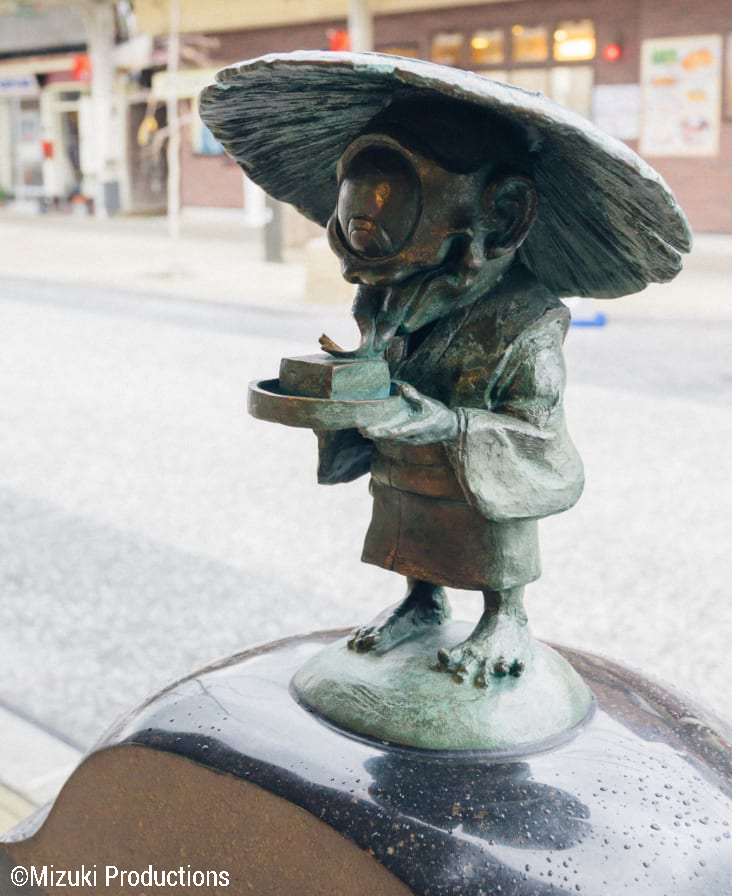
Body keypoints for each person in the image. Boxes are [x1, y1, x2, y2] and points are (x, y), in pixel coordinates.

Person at [200, 51, 691, 688]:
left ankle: (505, 616)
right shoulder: (395, 299)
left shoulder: (526, 326)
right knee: (405, 511)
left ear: (504, 216)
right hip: (409, 470)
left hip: (477, 478)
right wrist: (356, 376)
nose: (363, 278)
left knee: (483, 526)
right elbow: (373, 364)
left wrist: (436, 423)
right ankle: (421, 597)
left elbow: (541, 445)